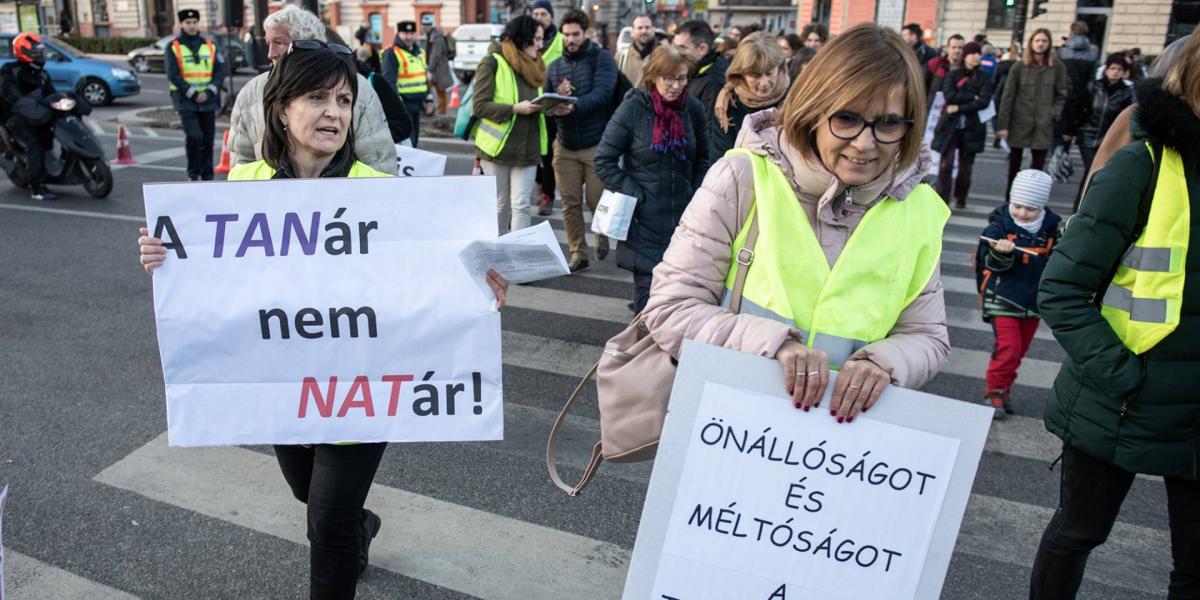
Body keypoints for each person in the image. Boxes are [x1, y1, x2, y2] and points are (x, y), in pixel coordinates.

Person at [138, 41, 510, 599]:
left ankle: (346, 533)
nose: (334, 111)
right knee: (306, 494)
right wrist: (166, 256)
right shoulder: (244, 187)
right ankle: (363, 526)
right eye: (317, 97)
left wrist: (475, 283)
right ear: (281, 108)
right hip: (284, 380)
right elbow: (218, 278)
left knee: (327, 520)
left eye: (343, 99)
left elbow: (420, 276)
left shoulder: (381, 193)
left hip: (361, 382)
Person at [641, 23, 948, 420]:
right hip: (729, 427)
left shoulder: (919, 208)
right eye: (847, 118)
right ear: (813, 110)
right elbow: (670, 307)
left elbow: (928, 337)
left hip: (841, 449)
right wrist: (774, 347)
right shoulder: (742, 178)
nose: (865, 143)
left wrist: (886, 362)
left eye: (888, 123)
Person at [1029, 33, 1200, 597]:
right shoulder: (1141, 166)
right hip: (1121, 398)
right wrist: (1125, 379)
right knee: (1078, 533)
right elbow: (1062, 290)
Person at [595, 45, 709, 313]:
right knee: (646, 298)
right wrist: (637, 194)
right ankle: (641, 350)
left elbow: (703, 157)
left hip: (684, 218)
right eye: (668, 78)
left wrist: (696, 193)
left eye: (681, 78)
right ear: (653, 77)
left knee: (676, 296)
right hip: (643, 218)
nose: (675, 86)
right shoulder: (634, 108)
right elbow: (604, 160)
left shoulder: (693, 109)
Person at [229, 4, 395, 174]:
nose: (270, 53)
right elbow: (241, 161)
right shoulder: (251, 91)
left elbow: (379, 160)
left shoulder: (359, 88)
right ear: (281, 110)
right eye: (316, 97)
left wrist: (375, 195)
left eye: (279, 43)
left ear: (307, 42)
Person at [974, 170, 1061, 418]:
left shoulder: (1052, 229)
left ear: (1042, 206)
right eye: (1018, 206)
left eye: (1030, 209)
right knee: (1009, 347)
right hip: (1003, 295)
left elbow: (1060, 260)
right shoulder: (998, 226)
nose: (1022, 213)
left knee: (1019, 350)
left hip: (1034, 300)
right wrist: (1001, 252)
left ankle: (1005, 387)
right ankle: (995, 391)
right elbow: (988, 263)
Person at [545, 9, 618, 272]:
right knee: (569, 202)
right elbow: (545, 104)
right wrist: (555, 99)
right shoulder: (553, 67)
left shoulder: (602, 59)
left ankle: (601, 234)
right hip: (564, 145)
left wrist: (572, 106)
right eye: (566, 35)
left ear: (586, 33)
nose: (570, 40)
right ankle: (578, 252)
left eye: (575, 34)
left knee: (596, 200)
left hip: (596, 144)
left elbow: (603, 93)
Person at [473, 15, 548, 234]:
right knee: (500, 206)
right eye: (537, 39)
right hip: (497, 148)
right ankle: (496, 256)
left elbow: (537, 103)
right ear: (523, 38)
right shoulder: (493, 62)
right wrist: (515, 108)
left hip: (528, 147)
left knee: (522, 207)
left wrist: (553, 104)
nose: (540, 45)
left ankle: (515, 259)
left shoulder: (536, 65)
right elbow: (479, 106)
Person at [997, 28, 1066, 199]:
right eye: (1037, 40)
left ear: (1049, 44)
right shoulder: (1019, 67)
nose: (1040, 44)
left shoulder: (1056, 67)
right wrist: (1003, 125)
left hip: (1043, 124)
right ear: (1031, 43)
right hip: (1019, 122)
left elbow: (1062, 94)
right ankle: (1010, 199)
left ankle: (1032, 199)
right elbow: (1008, 96)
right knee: (1014, 165)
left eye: (1044, 41)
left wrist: (1054, 113)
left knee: (1038, 168)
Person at [932, 41, 993, 209]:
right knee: (946, 164)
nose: (975, 57)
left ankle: (960, 198)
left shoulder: (984, 77)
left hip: (972, 127)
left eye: (977, 53)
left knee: (966, 168)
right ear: (965, 56)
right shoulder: (954, 75)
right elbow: (949, 95)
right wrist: (972, 97)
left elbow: (984, 101)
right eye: (972, 53)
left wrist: (960, 107)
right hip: (950, 126)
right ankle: (942, 199)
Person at [709, 32, 789, 158]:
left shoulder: (794, 97)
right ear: (740, 74)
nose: (764, 83)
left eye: (769, 73)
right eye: (755, 75)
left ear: (779, 68)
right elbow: (719, 159)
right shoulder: (727, 104)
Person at [165, 9, 224, 182]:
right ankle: (193, 173)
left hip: (208, 100)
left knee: (208, 139)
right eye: (188, 23)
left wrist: (209, 91)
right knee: (195, 137)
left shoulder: (210, 45)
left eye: (194, 22)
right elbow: (172, 74)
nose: (192, 26)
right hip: (185, 101)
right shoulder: (173, 47)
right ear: (181, 24)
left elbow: (220, 70)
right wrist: (193, 93)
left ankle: (207, 176)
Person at [1068, 53, 1133, 209]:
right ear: (1106, 69)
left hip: (1109, 138)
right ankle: (1079, 207)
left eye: (1119, 69)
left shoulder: (1127, 92)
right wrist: (1070, 130)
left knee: (1102, 173)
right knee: (1092, 170)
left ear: (1124, 72)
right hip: (1088, 135)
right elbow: (1079, 109)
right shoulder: (1094, 87)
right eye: (1112, 68)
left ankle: (1091, 206)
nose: (1115, 72)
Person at [0, 33, 58, 200]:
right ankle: (37, 187)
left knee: (58, 128)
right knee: (35, 143)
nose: (40, 56)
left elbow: (51, 93)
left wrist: (63, 99)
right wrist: (24, 102)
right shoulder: (10, 70)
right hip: (16, 118)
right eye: (36, 53)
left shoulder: (41, 73)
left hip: (39, 115)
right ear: (23, 52)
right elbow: (10, 93)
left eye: (41, 52)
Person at [382, 20, 433, 147]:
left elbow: (424, 77)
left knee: (413, 139)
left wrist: (429, 98)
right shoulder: (391, 53)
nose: (409, 37)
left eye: (412, 33)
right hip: (403, 104)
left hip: (417, 104)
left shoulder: (420, 52)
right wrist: (396, 103)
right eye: (405, 33)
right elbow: (389, 82)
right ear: (398, 33)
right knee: (406, 141)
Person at [531, 0, 560, 216]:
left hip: (551, 106)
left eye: (544, 13)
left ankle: (547, 196)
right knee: (532, 151)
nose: (540, 17)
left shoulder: (560, 40)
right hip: (529, 105)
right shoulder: (526, 40)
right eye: (536, 13)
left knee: (549, 154)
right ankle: (539, 183)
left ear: (551, 16)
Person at [673, 20, 728, 125]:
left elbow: (709, 131)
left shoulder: (714, 82)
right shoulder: (695, 72)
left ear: (702, 49)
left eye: (682, 48)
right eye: (675, 47)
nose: (676, 53)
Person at [422, 14, 454, 116]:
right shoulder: (431, 34)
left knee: (440, 92)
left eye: (425, 26)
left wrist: (430, 70)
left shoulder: (437, 36)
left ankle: (442, 115)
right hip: (435, 68)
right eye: (423, 25)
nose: (423, 27)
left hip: (438, 69)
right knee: (426, 88)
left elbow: (436, 55)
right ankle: (431, 111)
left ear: (430, 26)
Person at [617, 14, 657, 87]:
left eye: (647, 27)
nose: (644, 31)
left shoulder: (662, 55)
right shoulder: (622, 57)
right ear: (632, 32)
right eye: (640, 28)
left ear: (653, 30)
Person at [926, 34, 963, 106]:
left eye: (960, 47)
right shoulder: (935, 64)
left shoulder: (967, 69)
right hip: (933, 109)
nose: (957, 50)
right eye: (953, 47)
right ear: (948, 48)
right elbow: (923, 85)